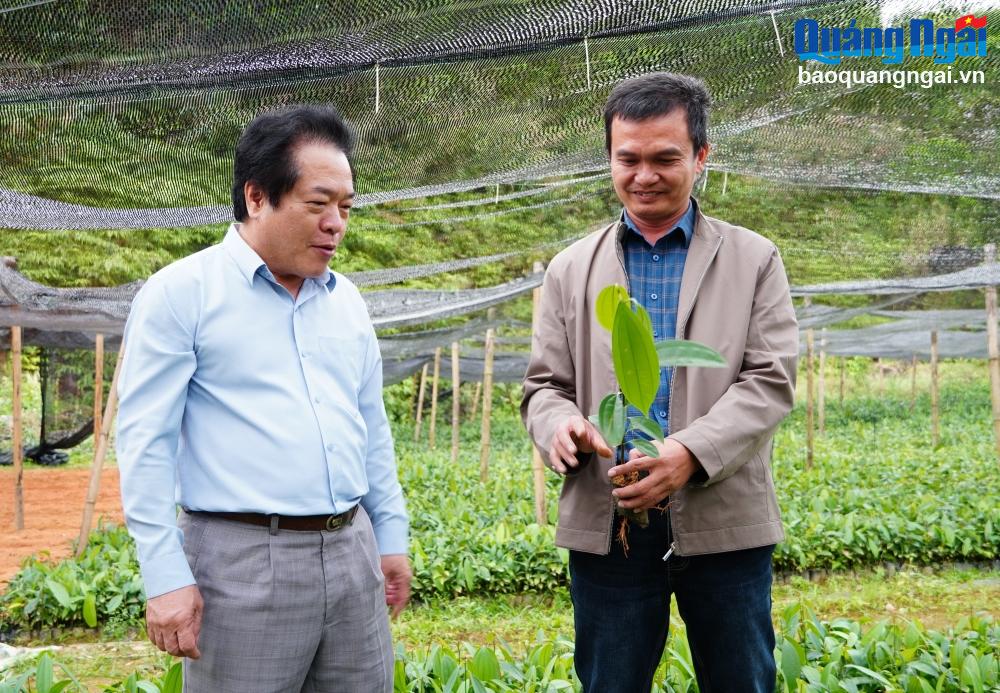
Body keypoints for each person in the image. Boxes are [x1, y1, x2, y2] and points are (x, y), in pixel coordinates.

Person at [116, 105, 410, 692]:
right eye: (318, 203)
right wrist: (164, 575)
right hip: (242, 560)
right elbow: (144, 443)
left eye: (346, 207)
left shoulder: (347, 301)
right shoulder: (182, 294)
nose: (336, 224)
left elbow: (370, 427)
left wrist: (391, 537)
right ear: (256, 197)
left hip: (352, 549)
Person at [521, 72, 798, 693]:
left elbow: (770, 380)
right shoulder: (571, 268)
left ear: (702, 156)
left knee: (741, 679)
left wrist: (689, 454)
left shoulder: (754, 260)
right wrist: (558, 427)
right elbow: (544, 384)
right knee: (610, 681)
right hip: (608, 518)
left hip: (723, 519)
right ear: (610, 159)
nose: (644, 175)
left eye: (665, 158)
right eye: (628, 159)